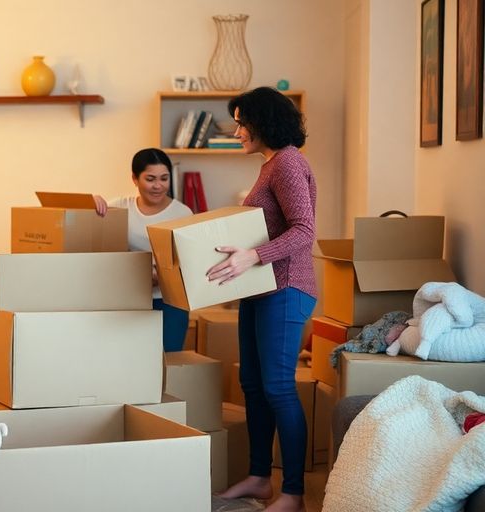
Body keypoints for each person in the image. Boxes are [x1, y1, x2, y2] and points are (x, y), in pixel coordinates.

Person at [207, 87, 317, 512]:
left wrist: (251, 254)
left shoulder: (287, 161)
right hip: (259, 287)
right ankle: (258, 478)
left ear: (263, 122)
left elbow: (304, 231)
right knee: (252, 385)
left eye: (241, 122)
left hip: (287, 288)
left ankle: (292, 492)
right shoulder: (270, 164)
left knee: (277, 388)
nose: (236, 131)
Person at [93, 148, 194, 352]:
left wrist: (161, 276)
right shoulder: (119, 208)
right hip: (128, 299)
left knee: (166, 360)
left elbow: (190, 262)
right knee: (127, 359)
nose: (158, 186)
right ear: (134, 179)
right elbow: (87, 230)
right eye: (150, 179)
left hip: (170, 302)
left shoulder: (183, 213)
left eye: (164, 178)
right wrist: (93, 201)